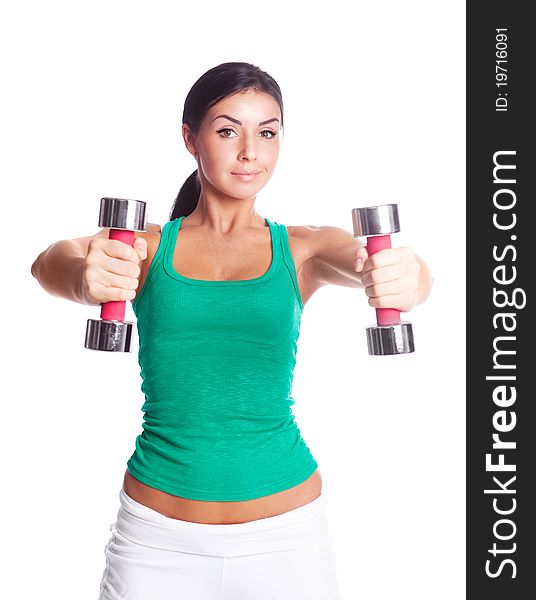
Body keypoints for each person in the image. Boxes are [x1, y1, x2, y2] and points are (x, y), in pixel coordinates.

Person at [31, 61, 433, 600]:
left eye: (267, 132)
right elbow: (51, 260)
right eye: (227, 130)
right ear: (190, 139)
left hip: (287, 540)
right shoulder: (145, 246)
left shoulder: (303, 247)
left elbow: (368, 261)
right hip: (155, 540)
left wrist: (407, 278)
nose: (250, 152)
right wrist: (83, 278)